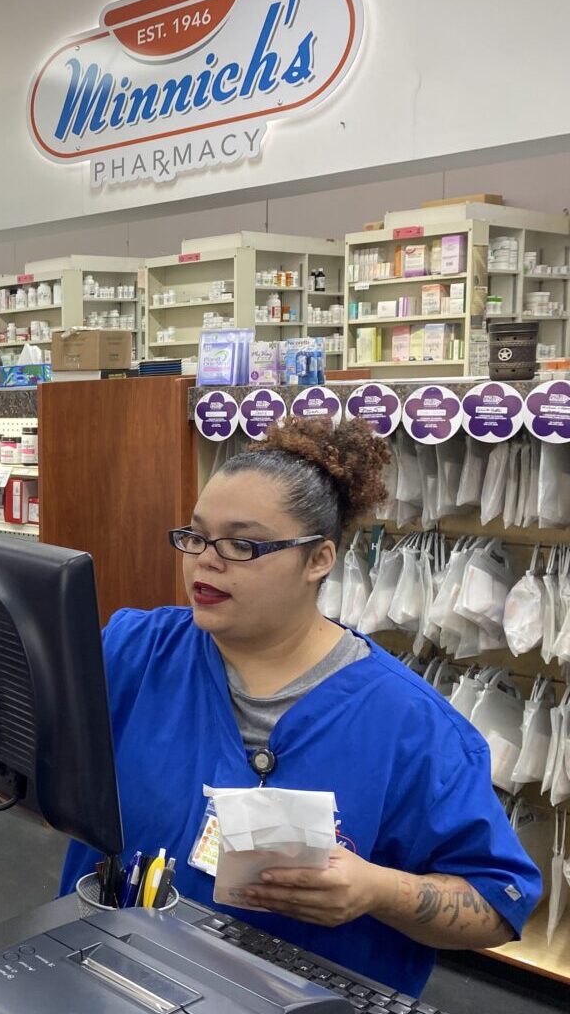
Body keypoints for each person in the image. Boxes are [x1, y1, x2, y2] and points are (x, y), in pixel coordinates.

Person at [59, 416, 540, 995]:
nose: (204, 561)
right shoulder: (132, 651)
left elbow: (497, 904)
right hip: (111, 983)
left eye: (243, 544)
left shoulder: (408, 724)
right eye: (195, 536)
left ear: (318, 560)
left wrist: (378, 890)